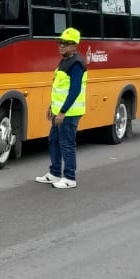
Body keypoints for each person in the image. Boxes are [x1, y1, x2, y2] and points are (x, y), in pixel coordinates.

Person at [35, 27, 88, 189]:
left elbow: (75, 90)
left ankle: (70, 178)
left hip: (69, 113)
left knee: (67, 144)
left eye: (66, 43)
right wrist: (52, 106)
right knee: (54, 141)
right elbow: (59, 88)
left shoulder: (77, 64)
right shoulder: (65, 60)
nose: (61, 46)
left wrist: (63, 112)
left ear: (75, 45)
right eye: (60, 42)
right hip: (60, 111)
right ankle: (55, 173)